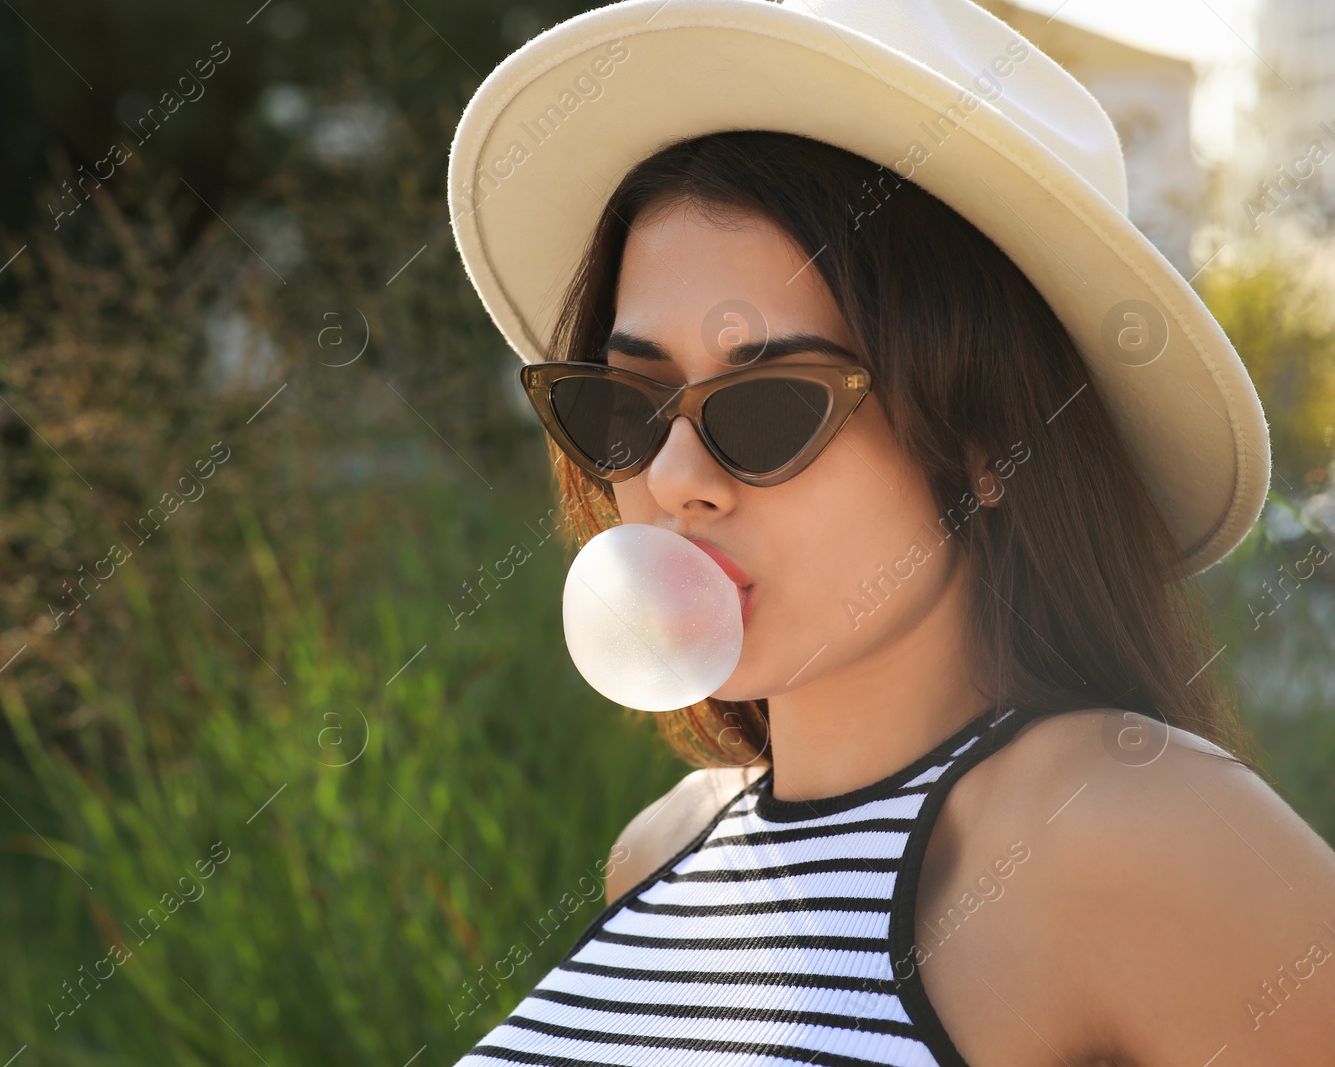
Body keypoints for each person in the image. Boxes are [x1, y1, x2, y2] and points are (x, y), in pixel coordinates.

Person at [445, 1, 1335, 1064]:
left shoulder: (1130, 827)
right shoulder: (662, 846)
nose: (673, 479)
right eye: (627, 405)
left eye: (769, 403)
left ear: (986, 443)